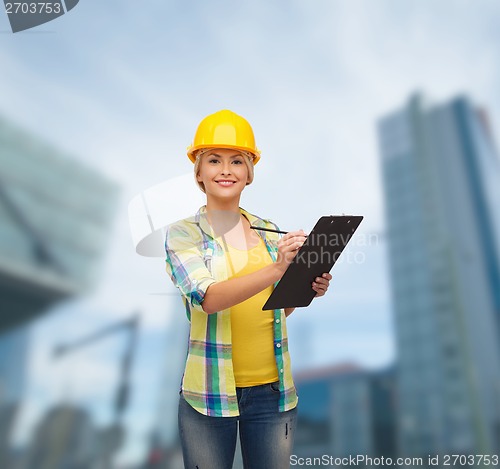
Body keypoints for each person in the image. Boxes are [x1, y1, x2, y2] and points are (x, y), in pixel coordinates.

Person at [164, 110, 332, 469]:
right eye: (214, 160)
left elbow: (277, 309)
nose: (226, 169)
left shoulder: (268, 230)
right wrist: (277, 268)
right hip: (208, 397)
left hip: (273, 395)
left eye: (237, 161)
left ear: (249, 172)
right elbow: (208, 299)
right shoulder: (183, 235)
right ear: (198, 172)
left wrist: (305, 287)